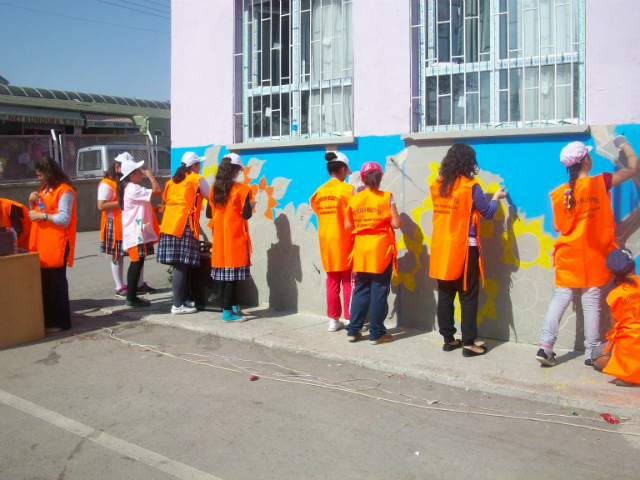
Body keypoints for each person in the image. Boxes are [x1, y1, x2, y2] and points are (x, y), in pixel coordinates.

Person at [536, 137, 640, 367]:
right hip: (594, 254)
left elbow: (556, 227)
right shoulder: (601, 182)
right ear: (585, 161)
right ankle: (593, 352)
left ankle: (545, 346)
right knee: (591, 299)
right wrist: (624, 144)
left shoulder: (560, 193)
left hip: (568, 254)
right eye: (589, 155)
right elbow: (634, 168)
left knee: (561, 298)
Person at [429, 143, 506, 357]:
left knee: (445, 295)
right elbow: (487, 213)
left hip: (441, 248)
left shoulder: (437, 185)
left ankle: (448, 339)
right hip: (464, 248)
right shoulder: (471, 187)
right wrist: (496, 199)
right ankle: (469, 343)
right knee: (468, 296)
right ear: (469, 163)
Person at [345, 161, 401, 344]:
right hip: (381, 250)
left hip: (361, 249)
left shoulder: (354, 199)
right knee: (379, 290)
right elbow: (396, 224)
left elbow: (347, 226)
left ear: (363, 178)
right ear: (380, 177)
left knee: (361, 288)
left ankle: (353, 330)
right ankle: (377, 333)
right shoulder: (387, 197)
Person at [27, 156, 77, 334]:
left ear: (49, 173)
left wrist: (41, 216)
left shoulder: (65, 191)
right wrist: (33, 202)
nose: (38, 178)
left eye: (40, 175)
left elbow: (64, 218)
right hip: (43, 243)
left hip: (58, 243)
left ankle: (61, 321)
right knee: (46, 283)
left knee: (56, 284)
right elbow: (41, 211)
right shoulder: (45, 190)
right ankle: (48, 319)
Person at [158, 152, 210, 315]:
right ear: (194, 166)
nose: (200, 167)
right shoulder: (196, 179)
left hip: (168, 223)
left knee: (180, 265)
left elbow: (166, 200)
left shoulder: (172, 181)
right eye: (199, 165)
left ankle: (183, 299)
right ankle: (177, 305)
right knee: (181, 264)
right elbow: (211, 197)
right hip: (183, 223)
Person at [310, 152, 355, 332]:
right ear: (343, 169)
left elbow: (316, 210)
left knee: (332, 281)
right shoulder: (348, 190)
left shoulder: (319, 192)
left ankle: (333, 320)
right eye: (346, 171)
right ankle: (352, 319)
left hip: (326, 243)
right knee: (349, 281)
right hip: (345, 241)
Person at [209, 153, 252, 322]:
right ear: (235, 170)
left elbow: (208, 212)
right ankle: (227, 312)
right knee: (233, 278)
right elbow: (246, 215)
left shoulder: (215, 189)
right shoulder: (242, 189)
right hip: (235, 238)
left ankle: (234, 307)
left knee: (225, 275)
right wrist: (250, 204)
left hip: (219, 238)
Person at [116, 153, 162, 308]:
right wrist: (149, 175)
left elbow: (139, 208)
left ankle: (132, 295)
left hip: (137, 231)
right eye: (138, 170)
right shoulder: (133, 188)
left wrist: (154, 211)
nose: (140, 173)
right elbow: (156, 191)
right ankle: (131, 297)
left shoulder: (129, 188)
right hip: (137, 233)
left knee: (137, 262)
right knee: (136, 263)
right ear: (132, 175)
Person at [590, 248, 640, 386]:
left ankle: (625, 371)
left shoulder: (614, 295)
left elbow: (614, 330)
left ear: (613, 274)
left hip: (628, 345)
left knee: (596, 353)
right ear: (634, 266)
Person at [97, 158, 126, 297]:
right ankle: (119, 286)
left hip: (122, 221)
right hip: (113, 223)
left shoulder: (118, 182)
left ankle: (124, 285)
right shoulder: (106, 184)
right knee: (116, 255)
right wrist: (121, 203)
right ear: (116, 167)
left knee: (122, 255)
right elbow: (101, 206)